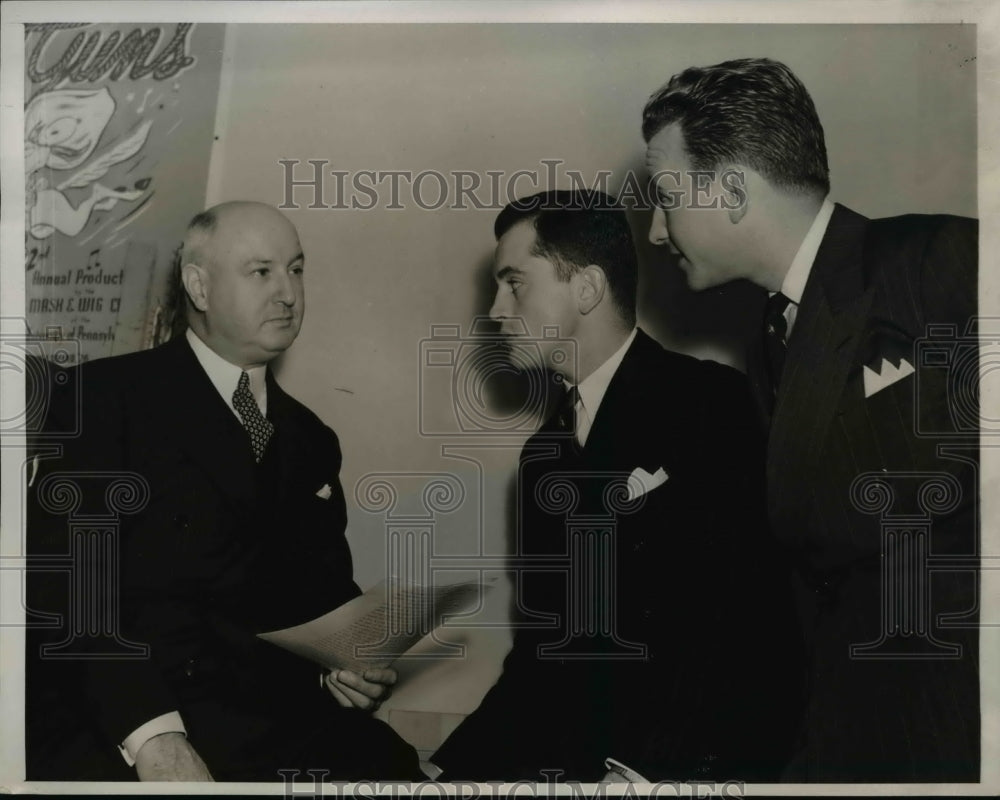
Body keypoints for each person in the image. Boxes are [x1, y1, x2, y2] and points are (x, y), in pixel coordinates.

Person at [641, 58, 979, 782]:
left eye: (666, 199)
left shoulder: (939, 261)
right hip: (848, 734)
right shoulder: (772, 335)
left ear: (731, 191)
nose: (655, 232)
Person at [26, 201, 422, 781]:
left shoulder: (311, 438)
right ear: (199, 286)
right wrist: (155, 738)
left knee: (394, 768)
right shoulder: (103, 399)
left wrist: (343, 667)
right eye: (262, 272)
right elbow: (73, 594)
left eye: (297, 269)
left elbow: (320, 597)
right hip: (132, 718)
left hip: (275, 721)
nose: (287, 292)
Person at [430, 189, 804, 782]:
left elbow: (739, 628)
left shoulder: (712, 403)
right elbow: (543, 659)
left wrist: (643, 772)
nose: (496, 310)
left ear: (586, 288)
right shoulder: (542, 458)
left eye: (514, 282)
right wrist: (449, 775)